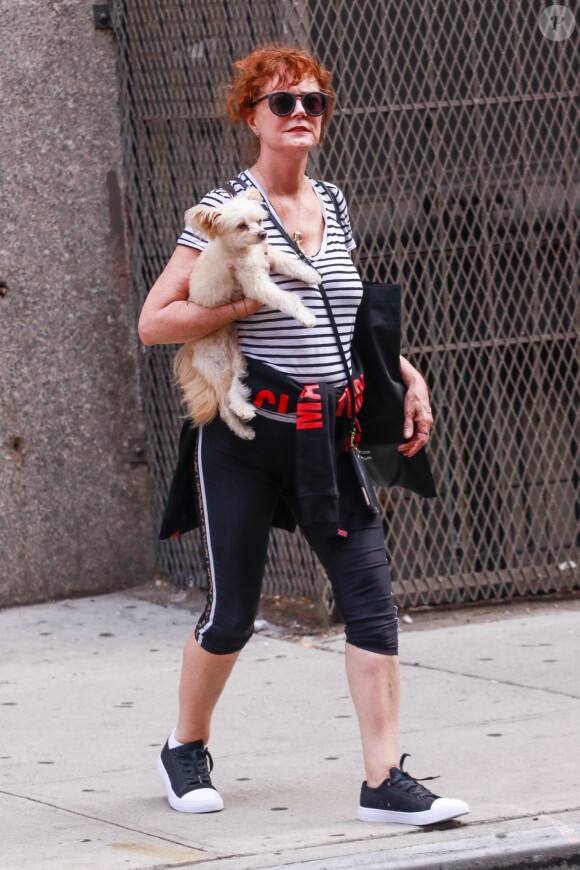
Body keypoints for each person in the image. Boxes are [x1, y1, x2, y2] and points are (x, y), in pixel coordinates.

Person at [138, 43, 469, 826]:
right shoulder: (225, 207)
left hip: (327, 438)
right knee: (232, 613)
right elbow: (155, 321)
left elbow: (345, 315)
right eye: (282, 103)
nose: (299, 116)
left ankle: (384, 781)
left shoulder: (336, 203)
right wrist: (239, 310)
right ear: (250, 115)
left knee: (371, 601)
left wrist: (406, 374)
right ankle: (184, 747)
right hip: (246, 441)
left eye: (313, 103)